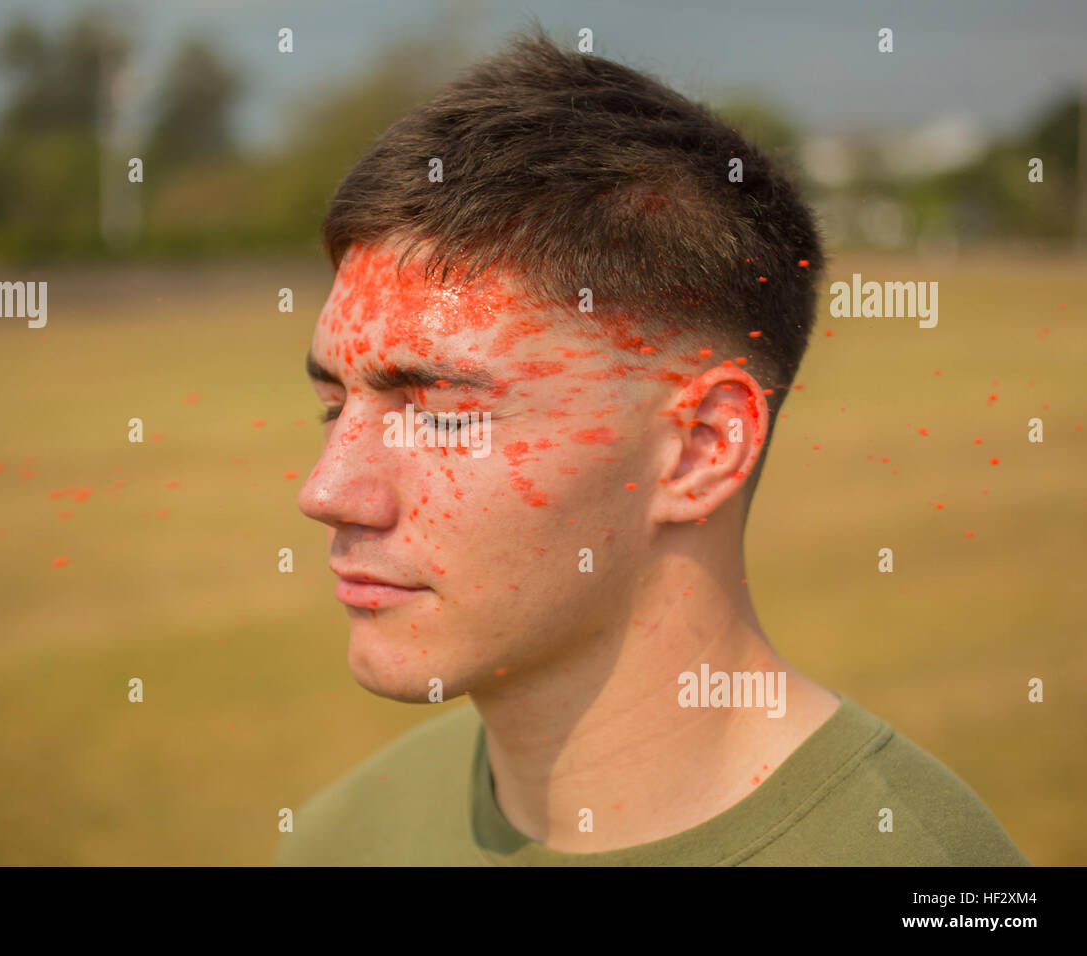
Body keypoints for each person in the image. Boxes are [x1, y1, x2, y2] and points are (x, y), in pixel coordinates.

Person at [276, 26, 1028, 866]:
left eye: (440, 411)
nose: (327, 490)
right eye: (333, 406)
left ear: (702, 448)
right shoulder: (342, 838)